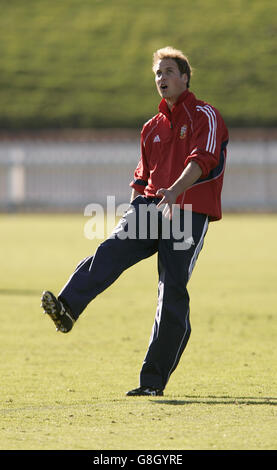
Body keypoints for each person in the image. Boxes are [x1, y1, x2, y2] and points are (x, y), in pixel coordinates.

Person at [41, 46, 229, 397]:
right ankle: (66, 309)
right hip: (151, 208)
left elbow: (203, 159)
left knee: (170, 290)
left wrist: (173, 191)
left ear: (185, 77)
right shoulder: (151, 128)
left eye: (169, 72)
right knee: (110, 250)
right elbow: (141, 179)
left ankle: (152, 383)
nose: (162, 78)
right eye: (158, 73)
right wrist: (134, 210)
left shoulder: (206, 115)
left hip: (187, 212)